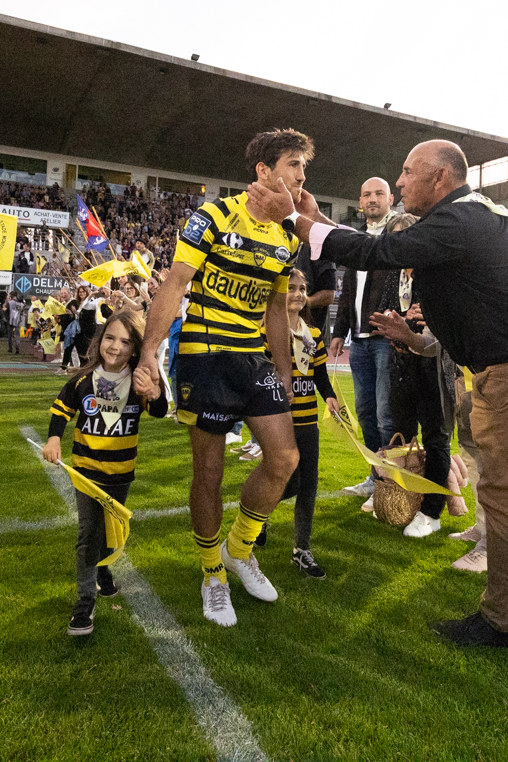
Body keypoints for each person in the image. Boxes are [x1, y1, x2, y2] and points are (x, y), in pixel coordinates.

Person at [255, 138, 508, 652]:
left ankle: (501, 622)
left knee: (505, 495)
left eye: (407, 171)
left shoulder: (458, 220)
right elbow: (383, 244)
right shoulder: (468, 217)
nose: (399, 182)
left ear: (440, 177)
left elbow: (378, 252)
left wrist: (301, 222)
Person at [137, 128, 309, 627]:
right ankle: (212, 572)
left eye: (303, 167)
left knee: (284, 458)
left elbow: (276, 308)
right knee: (208, 472)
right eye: (294, 165)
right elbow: (176, 282)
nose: (301, 176)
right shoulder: (213, 216)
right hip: (205, 352)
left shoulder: (286, 236)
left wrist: (282, 367)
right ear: (264, 171)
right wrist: (150, 351)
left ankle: (239, 548)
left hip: (253, 357)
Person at [42, 310, 167, 635]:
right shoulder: (83, 381)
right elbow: (61, 409)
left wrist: (153, 391)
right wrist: (54, 437)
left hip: (121, 475)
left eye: (126, 341)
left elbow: (160, 409)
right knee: (88, 534)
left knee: (111, 535)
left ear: (137, 348)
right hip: (86, 474)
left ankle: (102, 570)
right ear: (100, 341)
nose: (116, 346)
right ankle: (84, 603)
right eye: (110, 338)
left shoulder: (139, 381)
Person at [368, 213, 453, 540]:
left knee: (435, 437)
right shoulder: (392, 275)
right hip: (401, 361)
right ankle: (401, 497)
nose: (402, 246)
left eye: (408, 237)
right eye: (395, 239)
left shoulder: (436, 274)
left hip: (432, 362)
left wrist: (425, 315)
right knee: (399, 431)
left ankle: (432, 511)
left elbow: (447, 319)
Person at [258, 269, 340, 578]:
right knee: (287, 480)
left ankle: (301, 549)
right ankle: (258, 515)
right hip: (279, 422)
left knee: (309, 484)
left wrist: (330, 396)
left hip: (308, 422)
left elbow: (319, 375)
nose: (298, 293)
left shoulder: (314, 334)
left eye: (303, 288)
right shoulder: (264, 333)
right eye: (291, 287)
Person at [328, 177, 396, 497]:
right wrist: (339, 331)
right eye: (367, 194)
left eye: (378, 193)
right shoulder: (357, 241)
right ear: (360, 201)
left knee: (386, 413)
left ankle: (392, 484)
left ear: (390, 198)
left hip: (386, 339)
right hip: (359, 341)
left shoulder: (399, 237)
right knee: (366, 412)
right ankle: (375, 477)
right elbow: (347, 294)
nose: (372, 199)